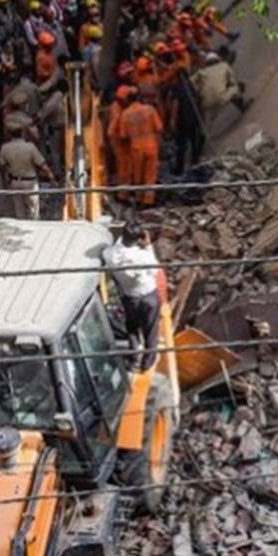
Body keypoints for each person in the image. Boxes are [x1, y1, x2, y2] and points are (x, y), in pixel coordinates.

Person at [103, 222, 161, 369]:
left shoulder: (110, 255)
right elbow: (154, 271)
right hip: (149, 296)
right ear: (139, 239)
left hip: (130, 298)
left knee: (132, 328)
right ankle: (147, 363)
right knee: (151, 331)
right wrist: (148, 246)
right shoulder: (142, 256)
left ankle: (134, 357)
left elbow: (109, 253)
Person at [117, 90, 164, 207]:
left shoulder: (125, 114)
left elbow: (123, 135)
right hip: (151, 146)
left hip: (136, 147)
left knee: (138, 175)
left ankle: (138, 198)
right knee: (150, 174)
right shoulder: (150, 110)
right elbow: (159, 128)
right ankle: (148, 201)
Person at [0, 125, 53, 219]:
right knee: (34, 211)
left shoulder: (5, 148)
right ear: (22, 133)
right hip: (30, 181)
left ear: (9, 135)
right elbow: (42, 164)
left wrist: (4, 180)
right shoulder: (30, 147)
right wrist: (51, 177)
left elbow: (1, 165)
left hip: (15, 181)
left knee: (19, 210)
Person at [192, 50, 247, 133]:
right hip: (221, 97)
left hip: (205, 104)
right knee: (237, 86)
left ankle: (202, 131)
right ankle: (243, 107)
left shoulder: (201, 72)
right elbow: (232, 82)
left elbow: (191, 82)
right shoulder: (224, 66)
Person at [105, 85, 135, 204]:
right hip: (120, 141)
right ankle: (122, 195)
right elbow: (121, 132)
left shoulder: (118, 107)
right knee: (124, 169)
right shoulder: (118, 110)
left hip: (119, 140)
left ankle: (124, 192)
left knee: (124, 168)